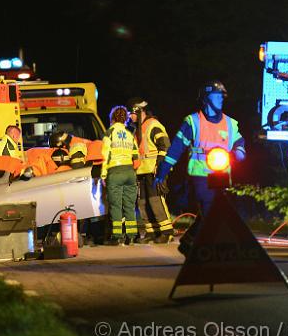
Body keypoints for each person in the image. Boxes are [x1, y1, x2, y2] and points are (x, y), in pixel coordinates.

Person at [153, 80, 246, 255]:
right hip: (200, 175)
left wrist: (240, 150)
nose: (220, 99)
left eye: (222, 96)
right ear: (205, 99)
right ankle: (206, 249)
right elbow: (176, 148)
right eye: (216, 96)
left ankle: (188, 242)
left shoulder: (230, 123)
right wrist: (163, 171)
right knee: (210, 209)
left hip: (222, 175)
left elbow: (239, 141)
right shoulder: (193, 121)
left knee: (215, 211)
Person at [126, 97, 174, 244]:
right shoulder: (138, 129)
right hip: (141, 171)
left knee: (156, 200)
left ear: (137, 111)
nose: (130, 117)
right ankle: (151, 232)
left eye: (131, 114)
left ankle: (166, 232)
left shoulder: (153, 125)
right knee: (143, 203)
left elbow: (165, 146)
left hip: (154, 170)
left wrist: (160, 167)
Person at [101, 105, 140, 246]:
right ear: (126, 118)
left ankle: (117, 236)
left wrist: (103, 175)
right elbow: (137, 159)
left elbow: (105, 155)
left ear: (112, 118)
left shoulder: (109, 132)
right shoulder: (130, 133)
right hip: (130, 172)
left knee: (115, 206)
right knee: (129, 206)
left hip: (114, 172)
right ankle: (131, 236)